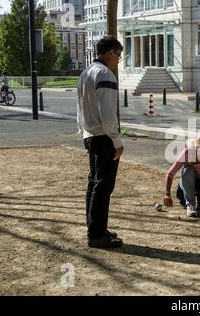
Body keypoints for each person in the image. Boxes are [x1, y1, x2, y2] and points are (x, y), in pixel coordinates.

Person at [76, 36, 124, 248]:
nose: (118, 60)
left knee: (94, 184)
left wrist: (83, 132)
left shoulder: (85, 73)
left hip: (90, 134)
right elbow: (108, 114)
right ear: (111, 52)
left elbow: (79, 108)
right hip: (104, 137)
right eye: (119, 56)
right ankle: (96, 235)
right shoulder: (106, 74)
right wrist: (117, 140)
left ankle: (95, 227)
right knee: (103, 186)